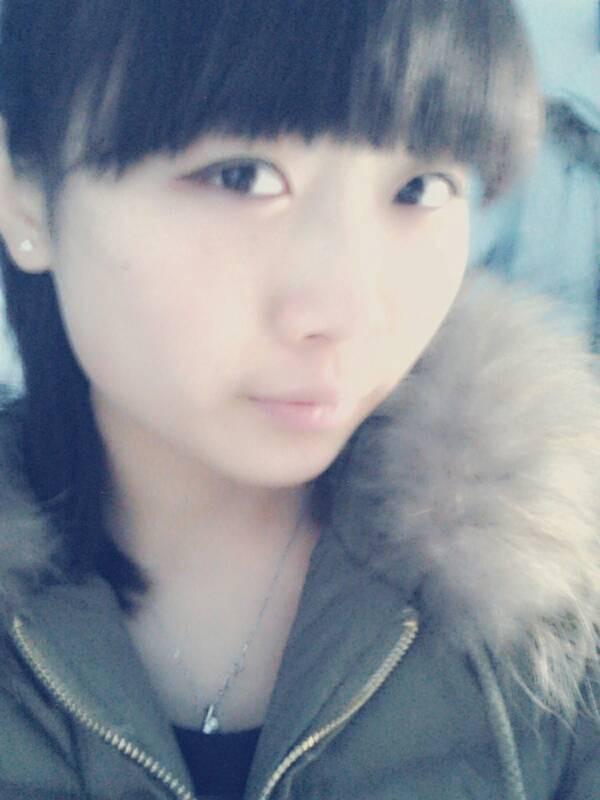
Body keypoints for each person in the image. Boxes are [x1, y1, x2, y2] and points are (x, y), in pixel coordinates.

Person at [0, 2, 597, 799]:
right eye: (241, 176)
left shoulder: (558, 617)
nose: (347, 309)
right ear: (26, 195)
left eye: (420, 188)